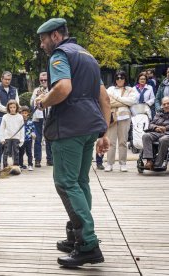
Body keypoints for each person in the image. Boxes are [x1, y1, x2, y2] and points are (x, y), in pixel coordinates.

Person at [35, 18, 110, 267]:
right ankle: (75, 235)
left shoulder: (60, 55)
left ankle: (88, 244)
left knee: (66, 184)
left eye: (44, 39)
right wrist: (104, 132)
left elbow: (64, 88)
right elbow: (104, 98)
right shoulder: (87, 56)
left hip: (69, 129)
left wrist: (44, 100)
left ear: (55, 36)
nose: (42, 44)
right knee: (80, 182)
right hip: (89, 127)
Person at [104, 71, 137, 172]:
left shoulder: (130, 89)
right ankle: (109, 163)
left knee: (123, 141)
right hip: (112, 117)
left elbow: (132, 101)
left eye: (121, 78)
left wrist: (117, 98)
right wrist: (123, 102)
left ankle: (123, 163)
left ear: (125, 79)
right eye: (117, 78)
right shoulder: (110, 89)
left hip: (125, 117)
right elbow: (107, 101)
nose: (119, 80)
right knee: (111, 141)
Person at [0, 71, 20, 171]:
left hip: (13, 118)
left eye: (9, 79)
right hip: (0, 117)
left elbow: (17, 103)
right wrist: (8, 110)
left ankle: (14, 163)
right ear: (1, 79)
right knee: (0, 140)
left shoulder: (14, 90)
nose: (7, 81)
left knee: (14, 140)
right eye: (5, 79)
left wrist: (13, 112)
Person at [30, 72, 53, 167]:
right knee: (38, 139)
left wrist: (46, 96)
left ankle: (50, 159)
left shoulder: (52, 89)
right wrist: (37, 97)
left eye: (45, 80)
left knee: (49, 138)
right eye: (41, 80)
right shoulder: (36, 90)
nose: (43, 81)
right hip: (38, 117)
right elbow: (31, 104)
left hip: (49, 116)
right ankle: (37, 160)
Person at [142, 96, 169, 169]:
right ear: (162, 105)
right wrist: (156, 128)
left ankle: (157, 164)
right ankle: (149, 161)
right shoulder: (159, 114)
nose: (166, 106)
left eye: (168, 104)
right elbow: (150, 124)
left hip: (167, 133)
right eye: (164, 104)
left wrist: (165, 128)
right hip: (157, 132)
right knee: (146, 136)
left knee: (163, 139)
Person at [0, 100, 24, 168]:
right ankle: (5, 166)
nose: (12, 109)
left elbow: (22, 129)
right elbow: (2, 128)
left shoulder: (20, 117)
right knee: (6, 152)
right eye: (11, 107)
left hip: (17, 137)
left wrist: (22, 139)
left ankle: (16, 166)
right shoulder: (5, 116)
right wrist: (2, 138)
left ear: (17, 107)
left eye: (14, 107)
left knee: (16, 152)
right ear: (8, 108)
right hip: (7, 137)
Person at [19, 106, 35, 171]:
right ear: (20, 113)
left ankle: (30, 165)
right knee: (21, 152)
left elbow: (33, 129)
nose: (24, 114)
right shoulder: (19, 122)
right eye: (22, 113)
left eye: (25, 113)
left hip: (28, 140)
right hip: (21, 140)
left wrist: (33, 133)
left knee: (29, 153)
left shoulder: (30, 122)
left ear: (28, 113)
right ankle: (20, 165)